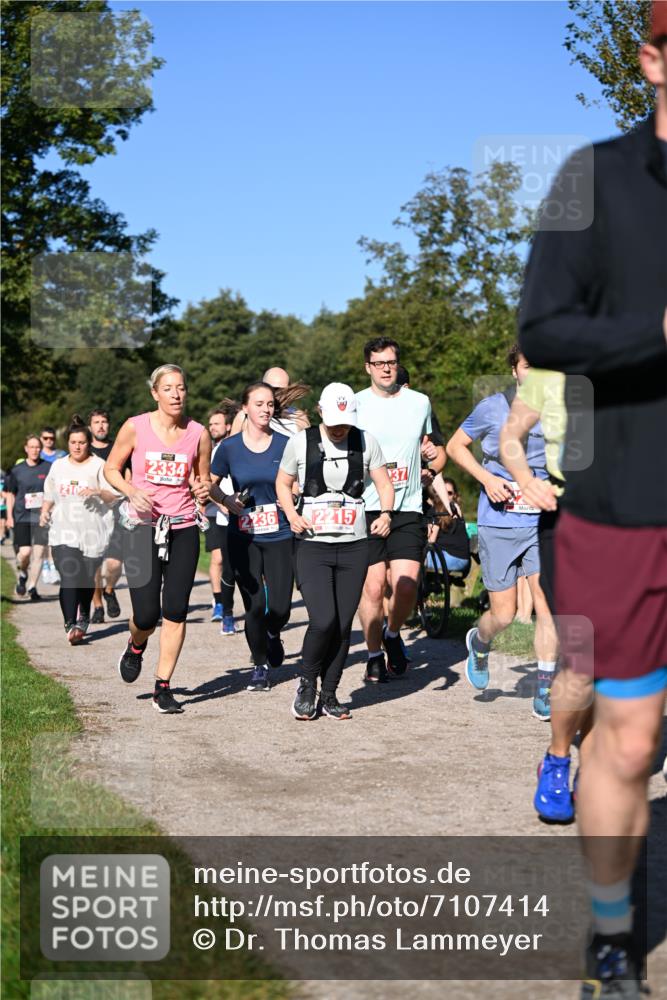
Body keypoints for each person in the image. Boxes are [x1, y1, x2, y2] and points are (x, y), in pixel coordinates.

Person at [518, 4, 667, 993]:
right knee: (630, 736)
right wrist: (652, 331)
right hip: (629, 496)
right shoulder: (593, 178)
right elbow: (544, 325)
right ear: (654, 57)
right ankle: (612, 935)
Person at [500, 367, 594, 824]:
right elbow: (511, 437)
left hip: (642, 524)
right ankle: (559, 760)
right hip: (569, 520)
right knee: (584, 656)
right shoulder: (549, 374)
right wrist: (525, 477)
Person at [446, 345, 558, 720]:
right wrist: (486, 477)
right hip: (499, 521)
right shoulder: (492, 408)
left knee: (547, 606)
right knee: (505, 615)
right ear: (514, 371)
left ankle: (544, 686)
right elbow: (455, 446)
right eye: (529, 366)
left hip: (541, 522)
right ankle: (480, 642)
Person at [276, 382, 394, 720]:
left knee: (343, 624)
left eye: (346, 420)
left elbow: (384, 484)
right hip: (313, 545)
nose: (341, 427)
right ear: (321, 413)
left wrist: (385, 513)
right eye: (335, 420)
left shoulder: (365, 441)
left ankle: (329, 693)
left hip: (354, 545)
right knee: (324, 619)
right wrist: (292, 514)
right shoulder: (302, 442)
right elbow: (282, 484)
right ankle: (306, 683)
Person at [104, 364, 211, 715]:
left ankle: (162, 686)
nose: (177, 394)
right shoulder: (135, 427)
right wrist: (131, 491)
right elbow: (110, 468)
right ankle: (136, 645)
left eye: (181, 387)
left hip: (182, 526)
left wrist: (202, 489)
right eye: (168, 388)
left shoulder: (198, 433)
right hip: (142, 527)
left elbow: (202, 479)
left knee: (176, 609)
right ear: (155, 393)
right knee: (147, 614)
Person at [355, 337, 444, 682]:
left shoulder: (419, 402)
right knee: (374, 588)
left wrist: (430, 462)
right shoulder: (358, 404)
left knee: (406, 585)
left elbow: (433, 445)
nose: (387, 368)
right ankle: (374, 654)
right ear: (368, 368)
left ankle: (392, 635)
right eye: (379, 363)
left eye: (391, 361)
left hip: (407, 506)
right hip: (368, 506)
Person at [210, 382, 293, 692]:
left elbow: (296, 482)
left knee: (281, 607)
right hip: (243, 536)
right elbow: (211, 484)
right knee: (255, 605)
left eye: (270, 404)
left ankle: (272, 634)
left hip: (280, 532)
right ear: (245, 408)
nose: (266, 409)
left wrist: (294, 494)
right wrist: (225, 501)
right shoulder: (229, 447)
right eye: (259, 404)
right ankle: (259, 666)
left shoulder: (286, 444)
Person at [38, 417, 118, 643]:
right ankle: (70, 623)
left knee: (84, 578)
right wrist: (45, 510)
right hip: (63, 531)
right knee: (70, 576)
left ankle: (84, 613)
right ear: (68, 443)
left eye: (81, 442)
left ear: (88, 443)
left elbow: (113, 497)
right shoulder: (59, 466)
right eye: (73, 442)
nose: (77, 446)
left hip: (93, 533)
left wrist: (97, 492)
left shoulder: (99, 466)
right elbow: (49, 494)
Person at [88, 409, 123, 623]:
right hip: (91, 515)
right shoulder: (83, 450)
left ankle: (109, 590)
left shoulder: (117, 449)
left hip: (116, 511)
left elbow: (127, 476)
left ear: (109, 425)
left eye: (104, 422)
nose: (100, 426)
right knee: (93, 565)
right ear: (90, 426)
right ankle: (98, 605)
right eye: (96, 422)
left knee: (114, 565)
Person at [4, 435, 50, 600]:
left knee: (38, 554)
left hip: (41, 517)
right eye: (31, 447)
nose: (35, 450)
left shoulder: (48, 468)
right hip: (22, 516)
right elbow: (10, 494)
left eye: (37, 447)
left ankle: (32, 587)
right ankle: (22, 573)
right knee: (25, 552)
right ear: (26, 449)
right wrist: (9, 516)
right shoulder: (17, 470)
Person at [205, 402, 237, 633]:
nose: (212, 428)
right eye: (210, 424)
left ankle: (265, 612)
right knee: (220, 561)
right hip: (217, 513)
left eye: (216, 424)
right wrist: (222, 503)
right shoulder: (210, 449)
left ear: (228, 426)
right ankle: (222, 607)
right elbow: (206, 482)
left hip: (239, 513)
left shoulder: (237, 445)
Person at [229, 368, 310, 438]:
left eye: (283, 390)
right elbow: (231, 450)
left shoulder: (299, 417)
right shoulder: (244, 416)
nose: (279, 394)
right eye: (274, 389)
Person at [424, 476, 471, 575]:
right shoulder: (456, 509)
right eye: (443, 492)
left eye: (449, 493)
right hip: (462, 560)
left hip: (452, 558)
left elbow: (431, 540)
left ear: (454, 495)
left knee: (414, 558)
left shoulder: (438, 510)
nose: (445, 495)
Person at [38, 426, 67, 584]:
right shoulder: (37, 453)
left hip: (56, 499)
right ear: (41, 439)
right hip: (39, 499)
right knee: (41, 537)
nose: (49, 441)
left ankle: (51, 565)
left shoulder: (61, 455)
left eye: (51, 438)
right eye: (46, 438)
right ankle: (45, 564)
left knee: (53, 534)